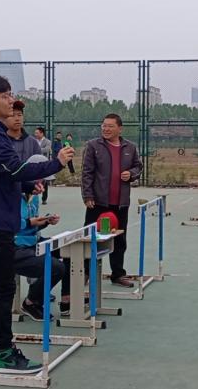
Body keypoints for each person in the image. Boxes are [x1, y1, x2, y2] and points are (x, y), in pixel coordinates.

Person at [0, 75, 73, 373]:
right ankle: (6, 355)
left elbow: (2, 175)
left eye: (11, 95)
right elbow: (15, 169)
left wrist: (26, 186)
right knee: (1, 288)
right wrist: (57, 163)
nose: (11, 101)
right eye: (6, 96)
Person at [81, 113, 142, 288]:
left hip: (121, 203)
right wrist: (88, 195)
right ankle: (85, 272)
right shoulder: (93, 146)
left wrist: (131, 174)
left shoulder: (130, 147)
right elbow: (87, 172)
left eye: (110, 126)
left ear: (119, 129)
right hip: (98, 203)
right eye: (104, 126)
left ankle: (118, 274)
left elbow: (138, 167)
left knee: (119, 240)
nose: (106, 129)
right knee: (91, 238)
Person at [12, 155, 66, 322]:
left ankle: (68, 300)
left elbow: (33, 224)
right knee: (56, 267)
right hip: (15, 247)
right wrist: (30, 222)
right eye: (41, 179)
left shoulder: (35, 196)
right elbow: (9, 224)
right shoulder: (11, 194)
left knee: (70, 251)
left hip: (33, 242)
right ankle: (31, 302)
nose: (43, 183)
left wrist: (46, 221)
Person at [34, 127, 54, 203]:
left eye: (37, 133)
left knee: (44, 181)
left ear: (42, 133)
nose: (35, 134)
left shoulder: (48, 142)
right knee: (33, 180)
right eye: (35, 133)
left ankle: (44, 198)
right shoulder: (33, 141)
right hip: (34, 163)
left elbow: (47, 150)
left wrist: (37, 150)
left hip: (44, 163)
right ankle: (33, 198)